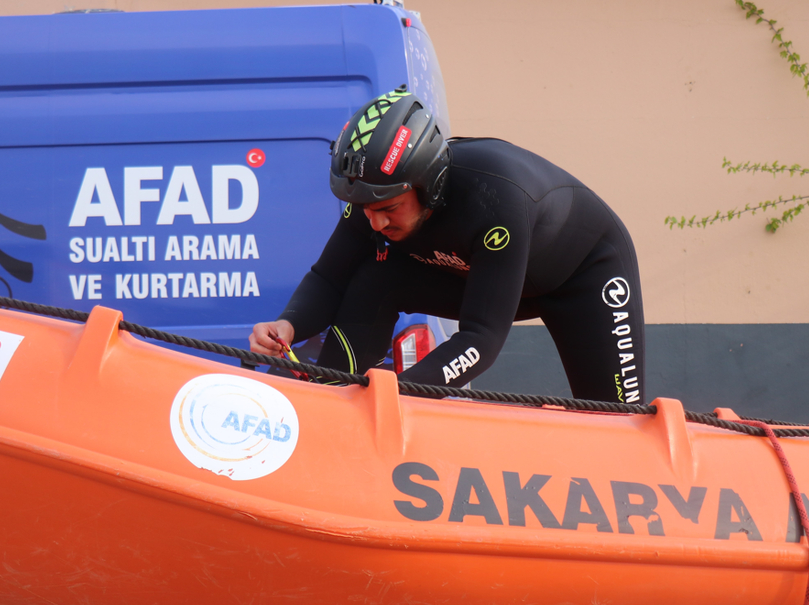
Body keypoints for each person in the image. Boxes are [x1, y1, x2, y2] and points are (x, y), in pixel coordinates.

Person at [249, 88, 645, 403]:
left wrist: (400, 392)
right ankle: (332, 400)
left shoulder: (495, 200)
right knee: (375, 276)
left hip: (583, 274)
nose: (375, 221)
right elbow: (329, 278)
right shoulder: (374, 201)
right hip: (483, 271)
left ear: (428, 185)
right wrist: (288, 324)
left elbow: (481, 339)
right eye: (363, 208)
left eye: (388, 208)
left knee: (615, 419)